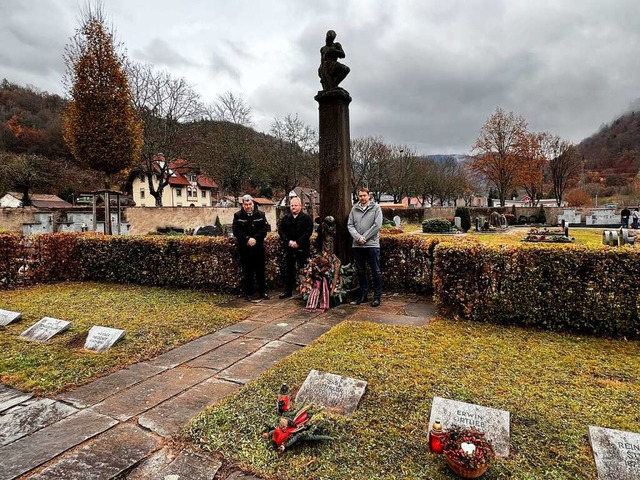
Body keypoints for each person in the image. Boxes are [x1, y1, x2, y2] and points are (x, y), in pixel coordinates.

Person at [347, 187, 383, 307]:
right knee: (361, 271)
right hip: (358, 245)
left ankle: (377, 296)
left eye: (364, 195)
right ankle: (363, 294)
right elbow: (350, 225)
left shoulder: (376, 208)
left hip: (372, 244)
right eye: (360, 196)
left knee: (375, 270)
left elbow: (377, 225)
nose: (362, 198)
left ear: (369, 196)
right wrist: (358, 237)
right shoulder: (354, 209)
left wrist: (365, 237)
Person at [232, 194, 269, 301]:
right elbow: (236, 231)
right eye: (246, 204)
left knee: (260, 271)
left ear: (253, 203)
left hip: (258, 248)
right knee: (247, 272)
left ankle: (263, 292)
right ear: (242, 205)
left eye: (250, 204)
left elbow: (264, 229)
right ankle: (249, 293)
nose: (248, 206)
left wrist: (255, 239)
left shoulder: (261, 215)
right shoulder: (238, 216)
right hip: (245, 248)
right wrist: (247, 239)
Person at [277, 197, 313, 298]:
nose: (293, 207)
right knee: (289, 270)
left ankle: (304, 292)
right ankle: (287, 291)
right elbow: (281, 231)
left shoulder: (307, 218)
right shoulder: (286, 218)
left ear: (300, 206)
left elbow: (308, 232)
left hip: (302, 248)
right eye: (292, 205)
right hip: (289, 248)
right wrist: (288, 242)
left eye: (295, 205)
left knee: (303, 270)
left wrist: (298, 242)